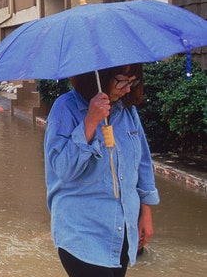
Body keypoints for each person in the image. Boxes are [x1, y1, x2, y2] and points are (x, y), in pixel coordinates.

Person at [44, 64, 160, 276]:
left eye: (132, 82)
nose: (127, 89)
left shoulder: (127, 111)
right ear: (99, 76)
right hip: (82, 233)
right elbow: (63, 169)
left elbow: (142, 161)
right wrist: (90, 121)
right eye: (122, 81)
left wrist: (146, 213)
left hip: (121, 229)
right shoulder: (65, 108)